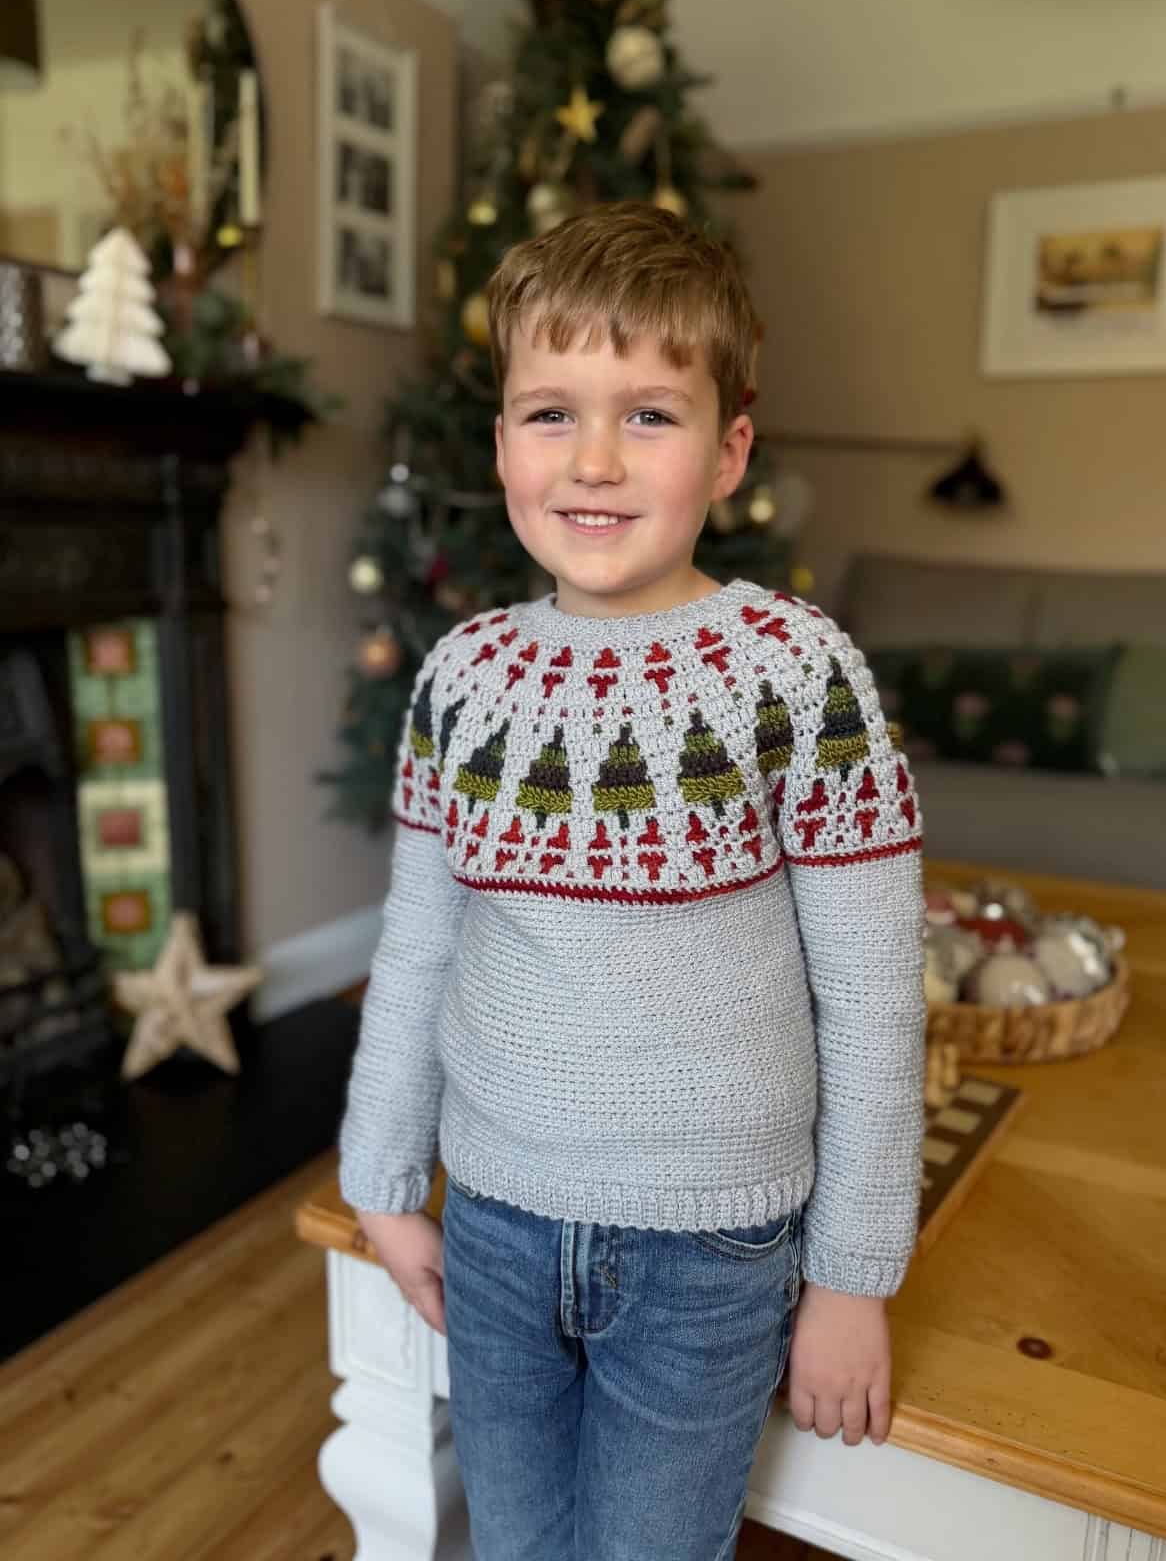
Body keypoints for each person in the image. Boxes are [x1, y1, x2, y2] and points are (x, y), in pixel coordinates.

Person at [338, 200, 926, 1560]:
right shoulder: (464, 675)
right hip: (490, 1226)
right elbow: (419, 943)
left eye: (648, 416)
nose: (593, 460)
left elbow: (873, 994)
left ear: (729, 451)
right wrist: (381, 1174)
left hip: (708, 1262)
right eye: (552, 413)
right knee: (516, 1547)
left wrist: (850, 1278)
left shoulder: (798, 673)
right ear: (500, 446)